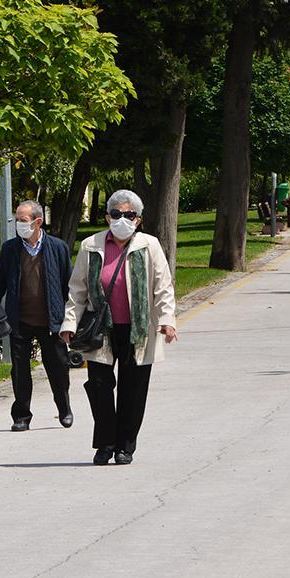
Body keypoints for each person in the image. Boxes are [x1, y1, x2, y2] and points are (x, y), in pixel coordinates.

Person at [60, 190, 177, 466]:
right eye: (116, 214)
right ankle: (105, 443)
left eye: (129, 215)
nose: (122, 219)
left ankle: (125, 445)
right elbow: (77, 289)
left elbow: (163, 287)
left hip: (138, 329)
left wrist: (167, 320)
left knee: (133, 389)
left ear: (138, 220)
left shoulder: (150, 245)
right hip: (101, 329)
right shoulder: (91, 245)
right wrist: (69, 322)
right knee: (99, 385)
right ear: (107, 216)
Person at [0, 200, 73, 432]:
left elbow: (69, 285)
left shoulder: (58, 247)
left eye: (23, 220)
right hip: (19, 321)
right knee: (19, 371)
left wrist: (71, 318)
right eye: (17, 220)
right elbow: (0, 283)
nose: (19, 225)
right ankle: (21, 416)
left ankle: (64, 408)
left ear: (38, 222)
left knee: (58, 368)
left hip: (51, 321)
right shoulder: (10, 249)